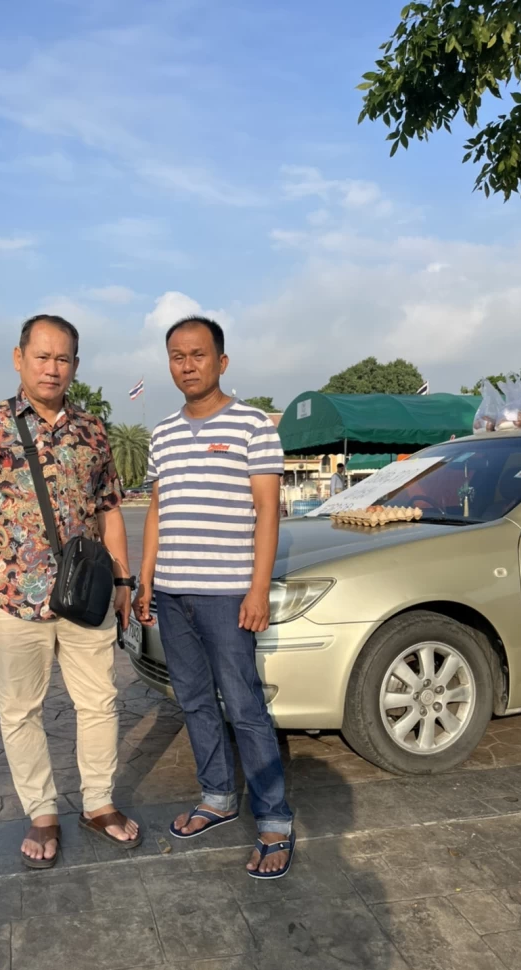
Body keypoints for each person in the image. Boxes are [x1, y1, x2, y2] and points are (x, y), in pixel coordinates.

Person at [0, 314, 141, 869]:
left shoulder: (92, 430)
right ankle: (42, 811)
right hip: (13, 598)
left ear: (75, 366)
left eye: (63, 359)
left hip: (86, 597)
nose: (52, 368)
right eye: (42, 356)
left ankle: (98, 803)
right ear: (19, 358)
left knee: (99, 702)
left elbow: (109, 510)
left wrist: (123, 580)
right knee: (19, 712)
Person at [136, 315, 295, 879]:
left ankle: (274, 819)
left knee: (245, 706)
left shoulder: (253, 425)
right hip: (172, 592)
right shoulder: (163, 433)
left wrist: (258, 589)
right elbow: (158, 509)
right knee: (194, 701)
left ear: (221, 361)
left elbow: (268, 512)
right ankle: (218, 796)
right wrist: (146, 578)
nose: (187, 365)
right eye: (177, 356)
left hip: (228, 595)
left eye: (198, 354)